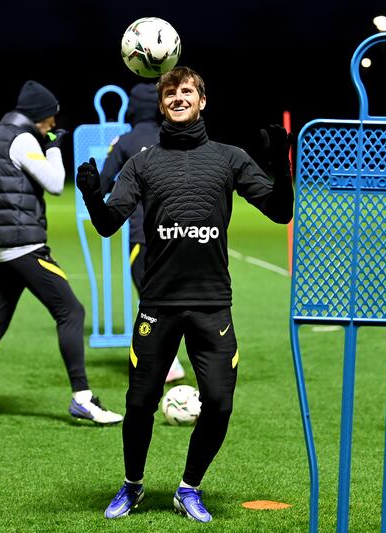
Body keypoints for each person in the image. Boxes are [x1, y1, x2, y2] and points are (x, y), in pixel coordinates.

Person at [76, 66, 294, 523]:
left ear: (202, 100)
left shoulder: (229, 158)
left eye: (187, 91)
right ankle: (132, 486)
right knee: (139, 402)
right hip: (157, 303)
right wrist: (93, 196)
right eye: (170, 92)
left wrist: (281, 164)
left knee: (219, 401)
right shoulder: (143, 162)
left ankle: (188, 487)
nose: (178, 97)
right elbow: (107, 223)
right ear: (161, 104)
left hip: (212, 302)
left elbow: (279, 210)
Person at [0, 80, 123, 425]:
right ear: (39, 116)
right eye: (51, 120)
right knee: (71, 311)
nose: (54, 126)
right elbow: (56, 184)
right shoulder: (24, 138)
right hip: (25, 247)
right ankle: (83, 398)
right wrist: (57, 148)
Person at [99, 82, 186, 383]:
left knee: (150, 299)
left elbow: (102, 183)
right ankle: (186, 357)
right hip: (183, 233)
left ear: (132, 108)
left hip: (142, 234)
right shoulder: (177, 138)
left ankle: (165, 362)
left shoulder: (124, 142)